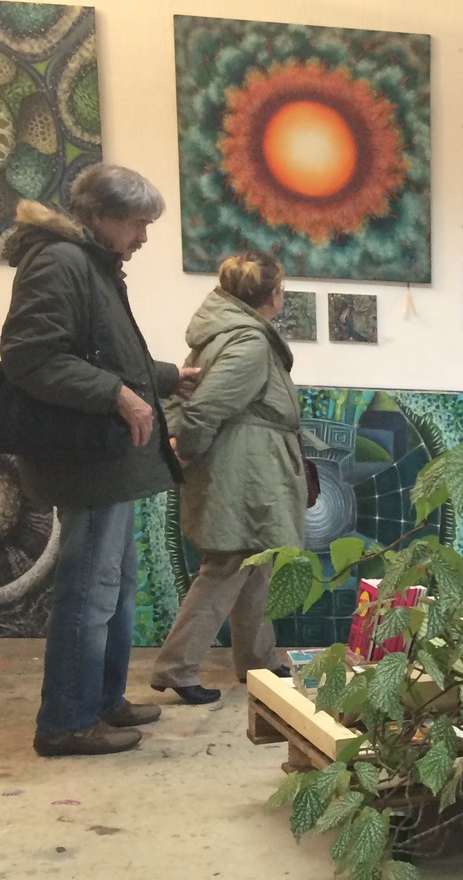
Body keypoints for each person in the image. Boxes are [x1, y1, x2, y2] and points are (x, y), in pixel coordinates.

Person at [0, 164, 200, 758]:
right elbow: (30, 356)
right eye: (137, 224)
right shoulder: (59, 262)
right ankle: (66, 720)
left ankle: (104, 700)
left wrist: (166, 377)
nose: (143, 238)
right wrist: (116, 394)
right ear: (98, 216)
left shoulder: (92, 264)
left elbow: (107, 353)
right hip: (87, 462)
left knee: (115, 587)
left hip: (107, 462)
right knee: (89, 590)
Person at [150, 251, 303, 704]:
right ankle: (176, 667)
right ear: (272, 296)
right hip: (243, 468)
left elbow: (186, 399)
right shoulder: (249, 342)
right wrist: (185, 449)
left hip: (245, 464)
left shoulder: (222, 335)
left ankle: (258, 659)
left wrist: (182, 444)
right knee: (228, 564)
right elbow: (204, 408)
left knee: (254, 562)